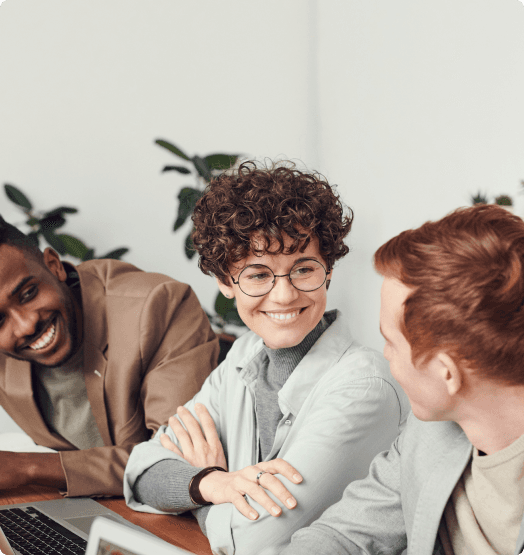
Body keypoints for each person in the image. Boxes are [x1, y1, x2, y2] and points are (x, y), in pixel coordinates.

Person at [124, 161, 410, 555]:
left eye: (303, 269)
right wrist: (212, 483)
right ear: (226, 282)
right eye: (258, 275)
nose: (285, 295)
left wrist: (196, 490)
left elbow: (252, 540)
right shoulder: (246, 354)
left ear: (328, 271)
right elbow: (140, 472)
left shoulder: (364, 389)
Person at [281, 203, 524, 555]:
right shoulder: (429, 432)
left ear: (447, 372)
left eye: (391, 342)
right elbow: (343, 536)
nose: (385, 355)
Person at [0, 216, 218, 497]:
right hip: (84, 508)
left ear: (54, 266)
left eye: (29, 293)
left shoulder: (159, 305)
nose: (26, 325)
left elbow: (175, 461)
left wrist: (27, 467)